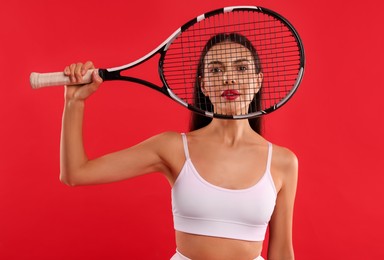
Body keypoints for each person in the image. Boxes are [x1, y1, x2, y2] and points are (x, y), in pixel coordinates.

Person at [60, 33, 298, 260]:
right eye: (216, 70)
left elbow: (282, 253)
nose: (229, 79)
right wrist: (74, 103)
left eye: (242, 68)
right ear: (203, 85)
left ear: (258, 81)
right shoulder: (173, 148)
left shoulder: (282, 162)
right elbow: (76, 173)